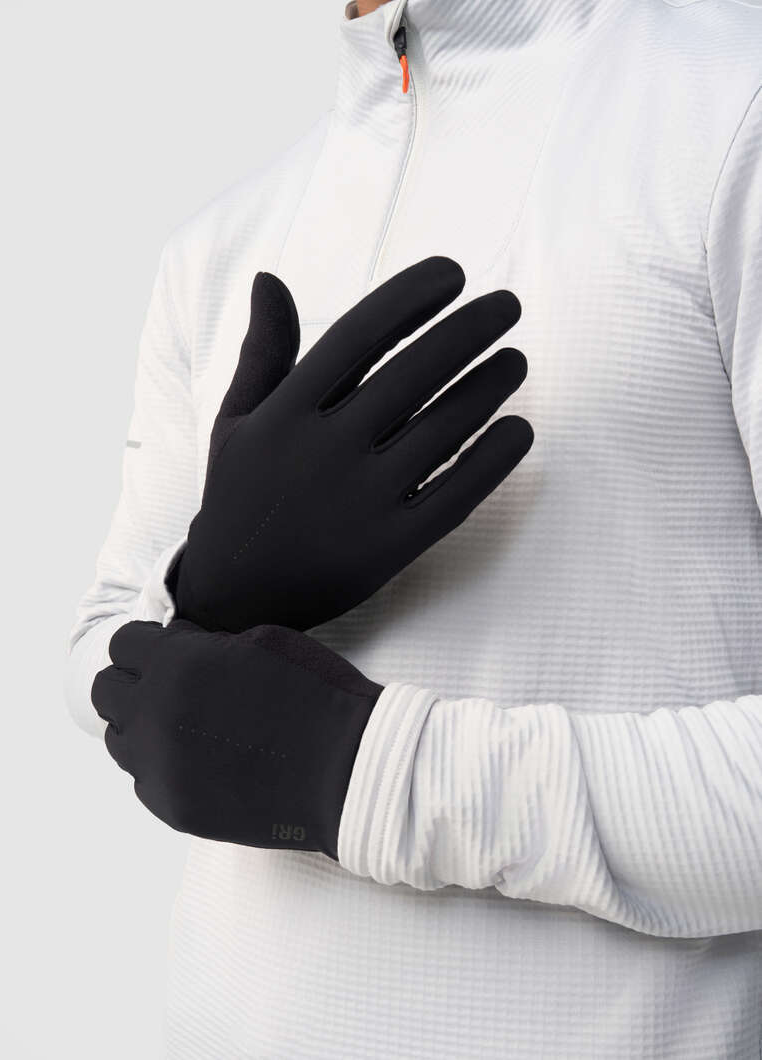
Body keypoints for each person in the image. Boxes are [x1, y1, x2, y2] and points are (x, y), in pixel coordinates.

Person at [66, 0, 762, 1056]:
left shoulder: (730, 114)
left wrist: (364, 772)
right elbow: (98, 646)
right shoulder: (220, 245)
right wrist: (208, 589)